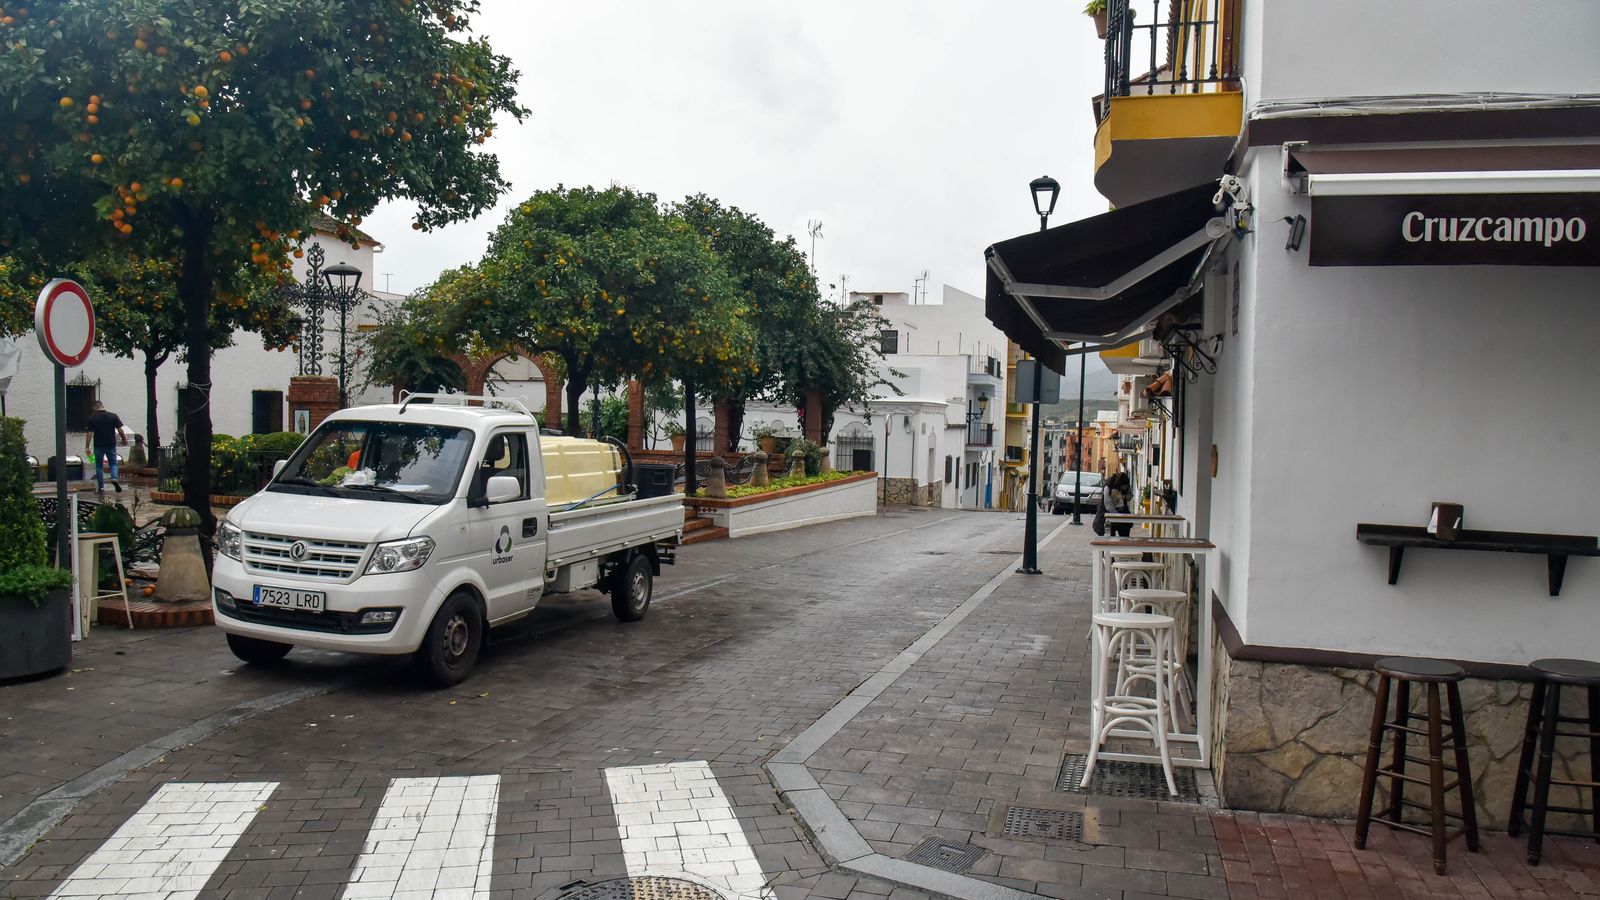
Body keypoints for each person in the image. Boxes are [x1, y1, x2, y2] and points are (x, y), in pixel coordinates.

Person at [84, 401, 127, 494]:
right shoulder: (113, 416)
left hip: (98, 445)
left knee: (99, 466)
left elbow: (89, 434)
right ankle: (114, 478)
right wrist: (124, 439)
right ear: (102, 406)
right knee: (113, 464)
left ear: (95, 408)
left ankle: (101, 487)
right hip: (111, 444)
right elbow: (120, 430)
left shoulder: (92, 418)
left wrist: (87, 447)